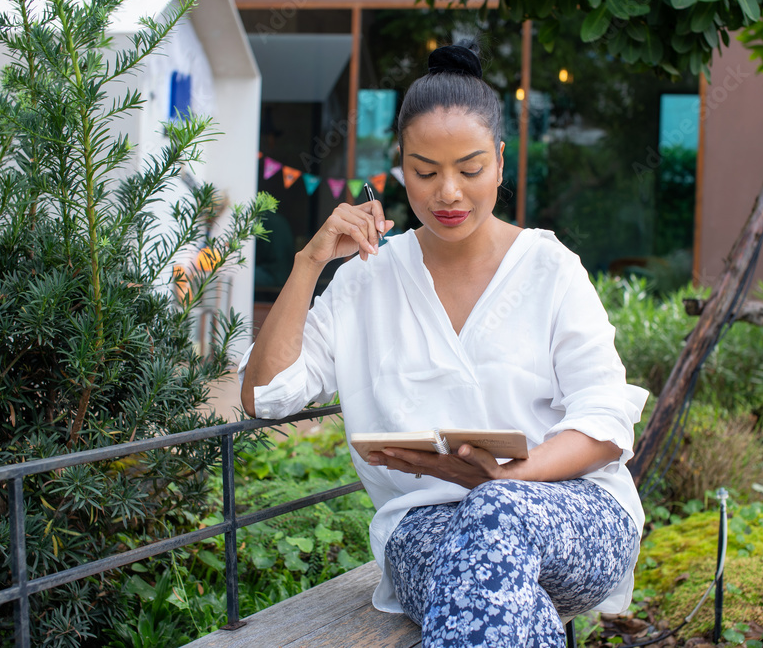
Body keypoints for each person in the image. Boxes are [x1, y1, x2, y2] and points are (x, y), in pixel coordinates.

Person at [239, 41, 648, 648]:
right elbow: (265, 396)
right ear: (401, 166)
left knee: (496, 517)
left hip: (569, 514)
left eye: (470, 168)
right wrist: (309, 262)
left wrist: (503, 477)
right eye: (425, 172)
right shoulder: (366, 279)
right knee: (500, 603)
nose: (447, 192)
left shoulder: (550, 268)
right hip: (426, 529)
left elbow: (606, 420)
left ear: (501, 162)